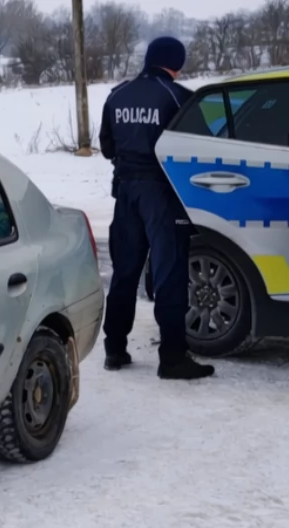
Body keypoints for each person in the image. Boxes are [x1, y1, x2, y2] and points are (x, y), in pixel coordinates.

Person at [99, 36, 215, 380]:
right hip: (164, 194)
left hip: (126, 194)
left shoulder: (117, 94)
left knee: (124, 274)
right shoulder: (178, 97)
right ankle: (173, 357)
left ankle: (115, 348)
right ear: (176, 64)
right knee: (170, 273)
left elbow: (106, 147)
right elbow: (202, 147)